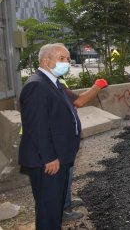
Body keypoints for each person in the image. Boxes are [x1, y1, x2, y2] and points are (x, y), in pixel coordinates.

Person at [18, 43, 82, 229]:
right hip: (47, 162)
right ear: (46, 61)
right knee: (48, 211)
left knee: (54, 209)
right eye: (62, 58)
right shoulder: (37, 85)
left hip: (58, 158)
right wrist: (49, 157)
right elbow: (37, 127)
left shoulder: (52, 83)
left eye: (68, 59)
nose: (67, 63)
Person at [57, 76, 108, 220]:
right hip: (58, 139)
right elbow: (79, 101)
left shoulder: (57, 81)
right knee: (62, 174)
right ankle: (63, 209)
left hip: (65, 137)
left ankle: (66, 201)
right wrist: (97, 85)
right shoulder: (52, 82)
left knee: (68, 172)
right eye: (62, 58)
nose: (66, 62)